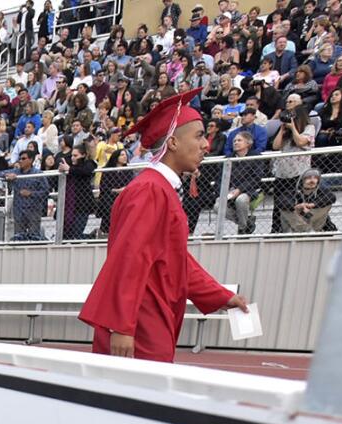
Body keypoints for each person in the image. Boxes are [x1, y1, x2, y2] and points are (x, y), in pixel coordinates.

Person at [80, 88, 247, 362]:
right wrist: (122, 325)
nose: (207, 144)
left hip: (151, 317)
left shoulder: (161, 189)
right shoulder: (149, 190)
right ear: (172, 142)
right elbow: (128, 258)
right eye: (199, 135)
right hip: (140, 324)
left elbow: (175, 260)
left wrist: (220, 295)